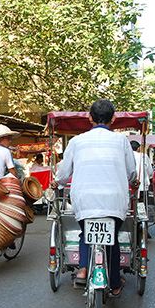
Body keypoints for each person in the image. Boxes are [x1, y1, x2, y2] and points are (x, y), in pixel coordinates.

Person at [51, 99, 136, 297]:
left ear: (89, 118)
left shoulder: (76, 141)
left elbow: (63, 174)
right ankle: (115, 284)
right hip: (114, 201)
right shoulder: (122, 141)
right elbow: (132, 172)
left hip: (84, 201)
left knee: (85, 232)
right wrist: (133, 181)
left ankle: (83, 268)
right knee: (112, 240)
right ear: (113, 119)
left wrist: (58, 183)